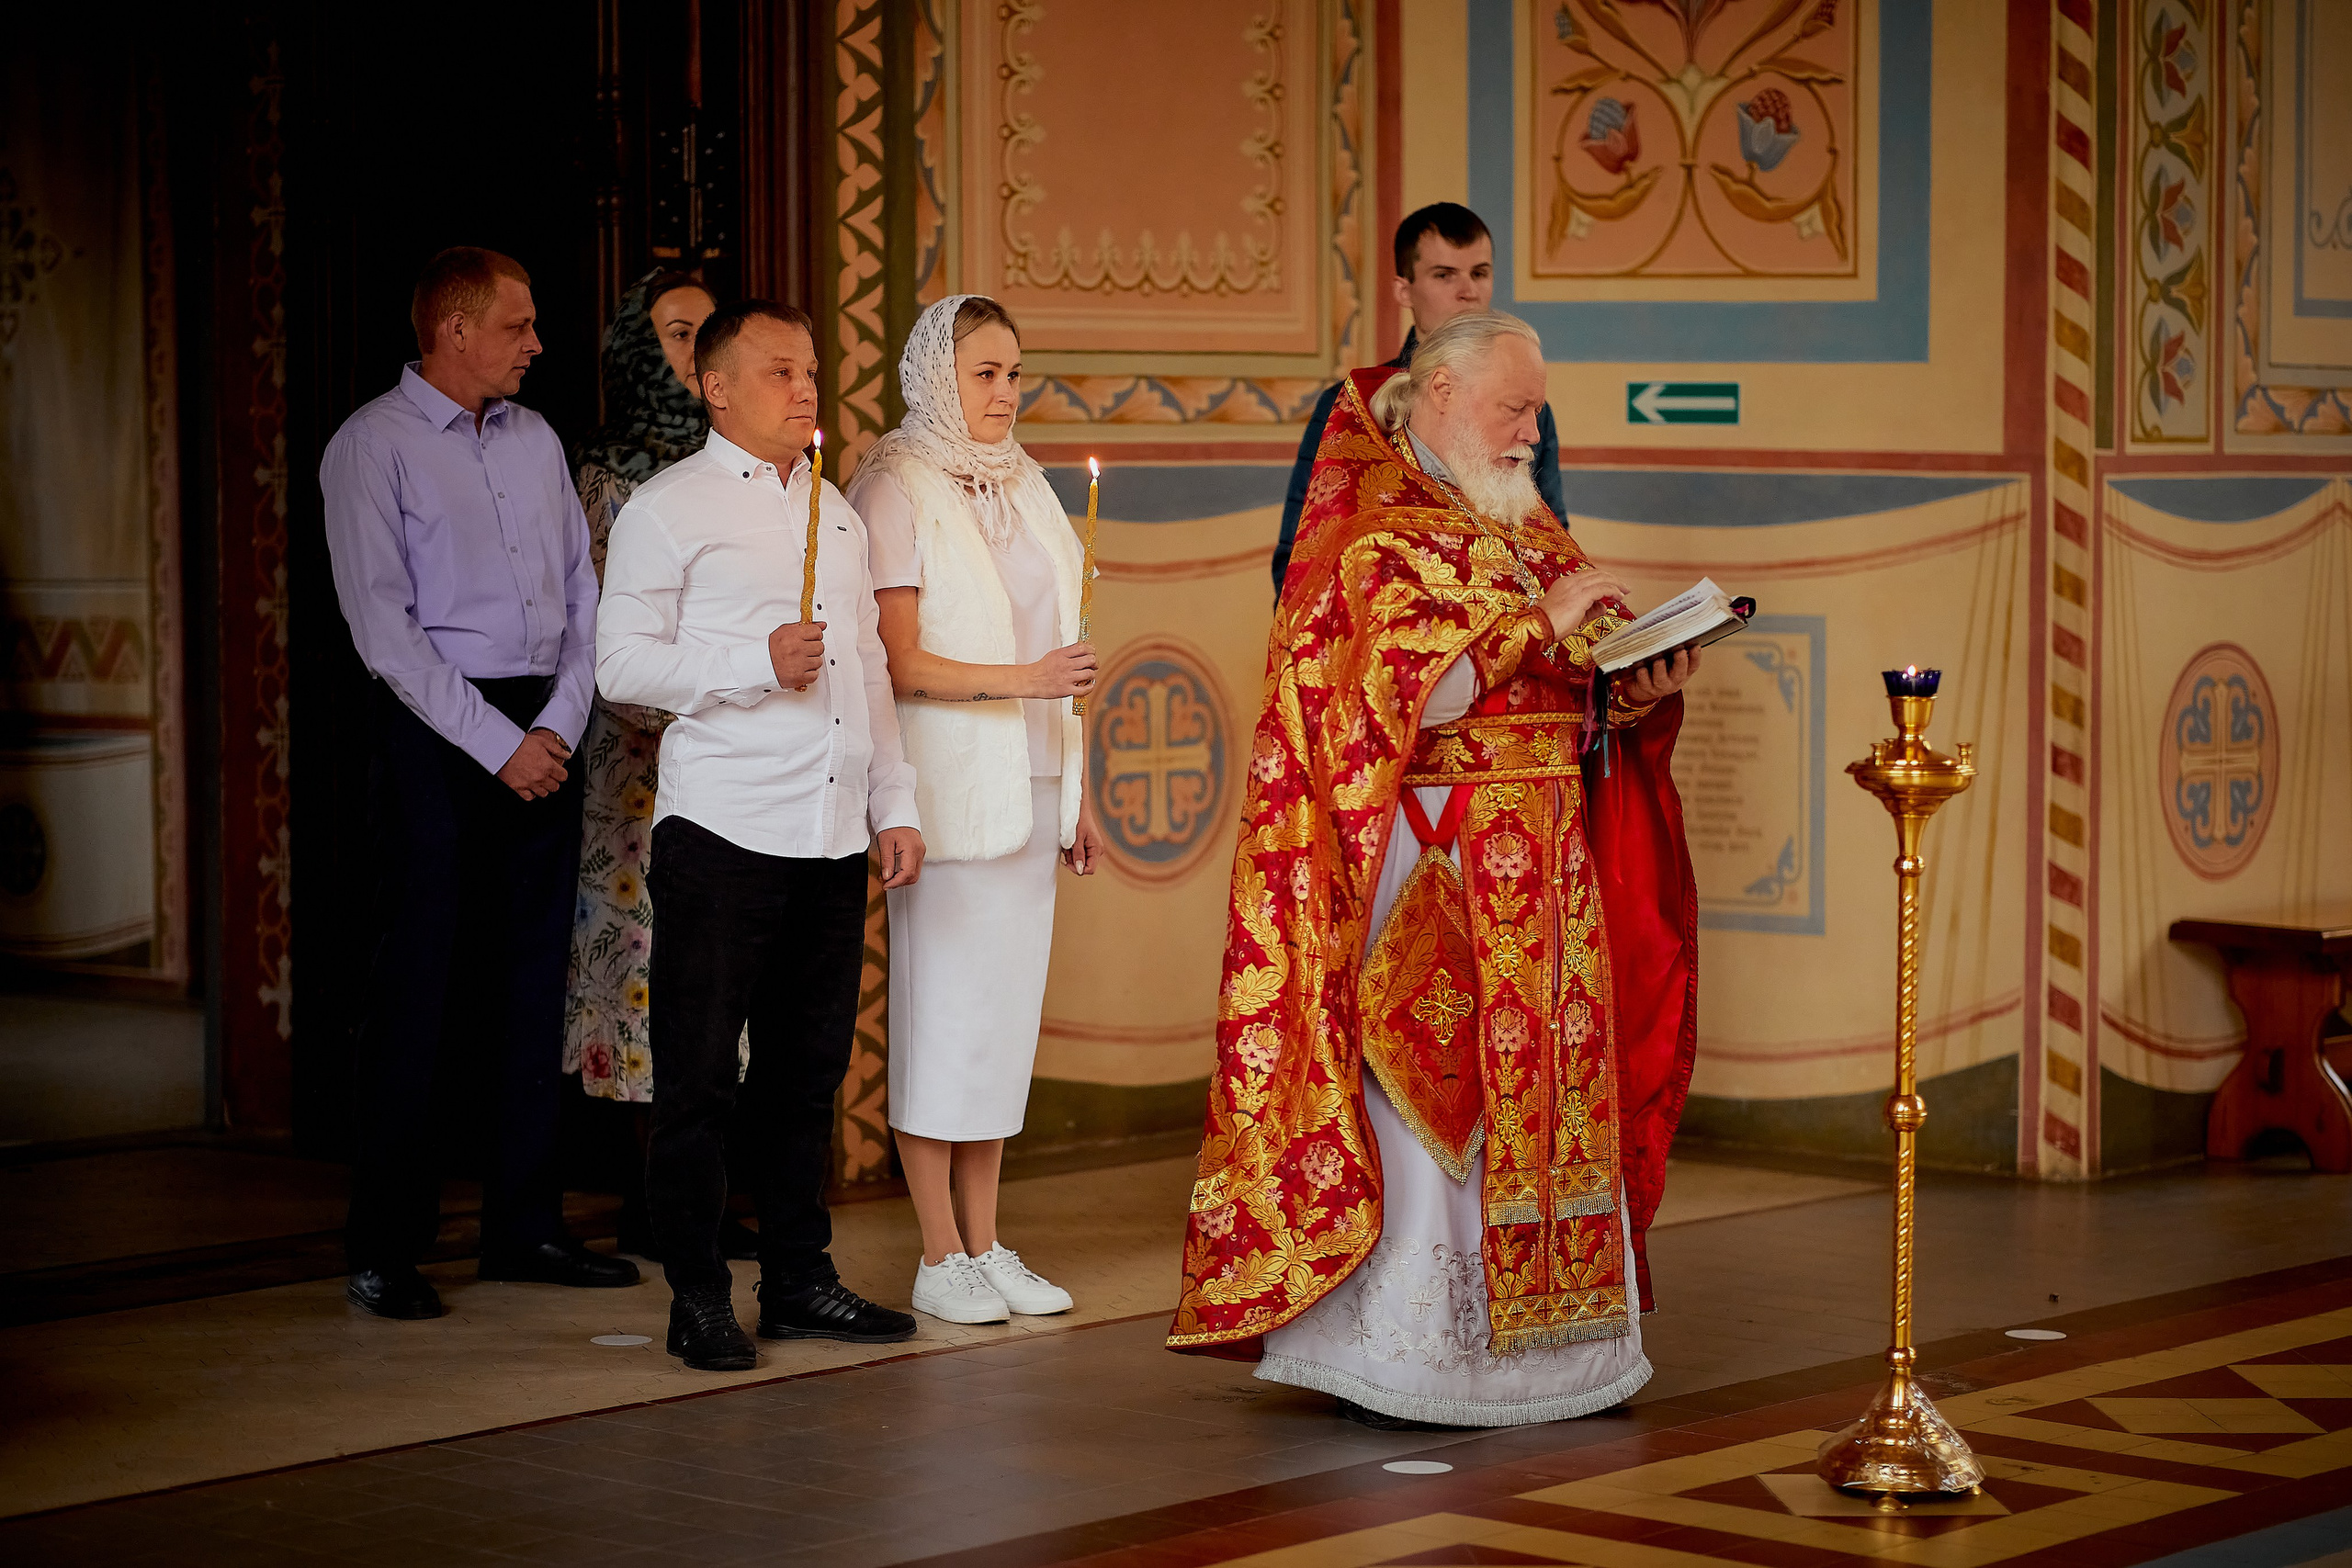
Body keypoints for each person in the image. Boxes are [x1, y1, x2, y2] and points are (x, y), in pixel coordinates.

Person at [1168, 311, 1700, 1428]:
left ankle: (1558, 1354)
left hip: (1549, 862)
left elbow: (1573, 678)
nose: (1530, 429)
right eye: (1513, 407)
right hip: (1435, 869)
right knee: (1433, 1095)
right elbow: (1378, 709)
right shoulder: (1375, 533)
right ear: (1443, 393)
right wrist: (1523, 630)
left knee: (1549, 1095)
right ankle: (1415, 1353)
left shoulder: (1524, 522)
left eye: (1536, 407)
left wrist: (1633, 686)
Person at [597, 299, 926, 1371]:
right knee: (697, 1077)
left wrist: (896, 804)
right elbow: (620, 667)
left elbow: (869, 669)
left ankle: (799, 1280)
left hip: (830, 835)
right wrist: (750, 664)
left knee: (806, 1074)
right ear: (715, 385)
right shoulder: (667, 508)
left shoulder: (837, 514)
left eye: (812, 372)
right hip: (726, 829)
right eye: (779, 371)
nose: (803, 390)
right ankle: (696, 1294)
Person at [322, 246, 641, 1321]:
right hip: (432, 734)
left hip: (541, 729)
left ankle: (525, 1226)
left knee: (527, 985)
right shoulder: (372, 446)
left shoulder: (538, 438)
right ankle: (386, 1245)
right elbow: (382, 629)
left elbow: (579, 597)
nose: (537, 343)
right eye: (518, 325)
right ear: (454, 329)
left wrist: (552, 723)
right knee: (418, 991)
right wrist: (494, 742)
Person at [843, 295, 1108, 1326]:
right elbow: (899, 661)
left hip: (1036, 786)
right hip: (949, 791)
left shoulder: (1032, 486)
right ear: (935, 377)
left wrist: (1075, 792)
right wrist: (1027, 679)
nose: (1003, 393)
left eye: (1012, 373)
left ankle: (988, 1243)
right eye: (982, 373)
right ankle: (935, 1251)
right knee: (942, 1019)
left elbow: (1067, 662)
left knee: (1000, 1029)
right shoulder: (892, 487)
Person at [560, 269, 761, 1263]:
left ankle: (715, 1195)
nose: (692, 351)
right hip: (642, 763)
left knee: (720, 974)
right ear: (638, 349)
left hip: (732, 756)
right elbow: (613, 640)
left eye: (704, 333)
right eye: (676, 333)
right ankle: (656, 1197)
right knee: (644, 972)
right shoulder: (608, 478)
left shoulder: (748, 471)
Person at [1268, 203, 1566, 599]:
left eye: (1480, 273)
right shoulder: (1352, 404)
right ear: (1403, 290)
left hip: (1513, 638)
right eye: (1444, 275)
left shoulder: (1527, 413)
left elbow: (1551, 544)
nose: (1469, 292)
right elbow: (1301, 554)